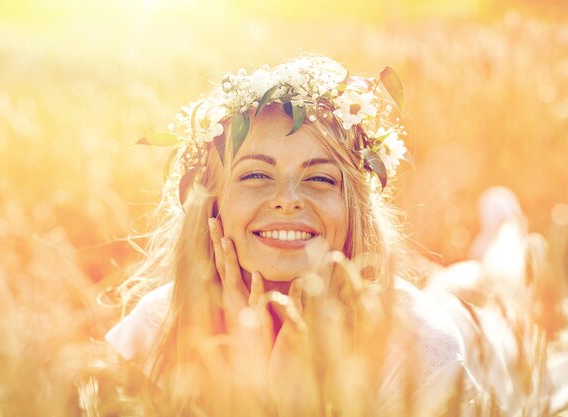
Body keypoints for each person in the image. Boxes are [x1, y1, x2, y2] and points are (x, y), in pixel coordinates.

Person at [105, 55, 477, 416]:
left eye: (319, 178)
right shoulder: (156, 328)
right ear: (212, 203)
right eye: (255, 175)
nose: (287, 200)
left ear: (354, 208)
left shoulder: (420, 349)